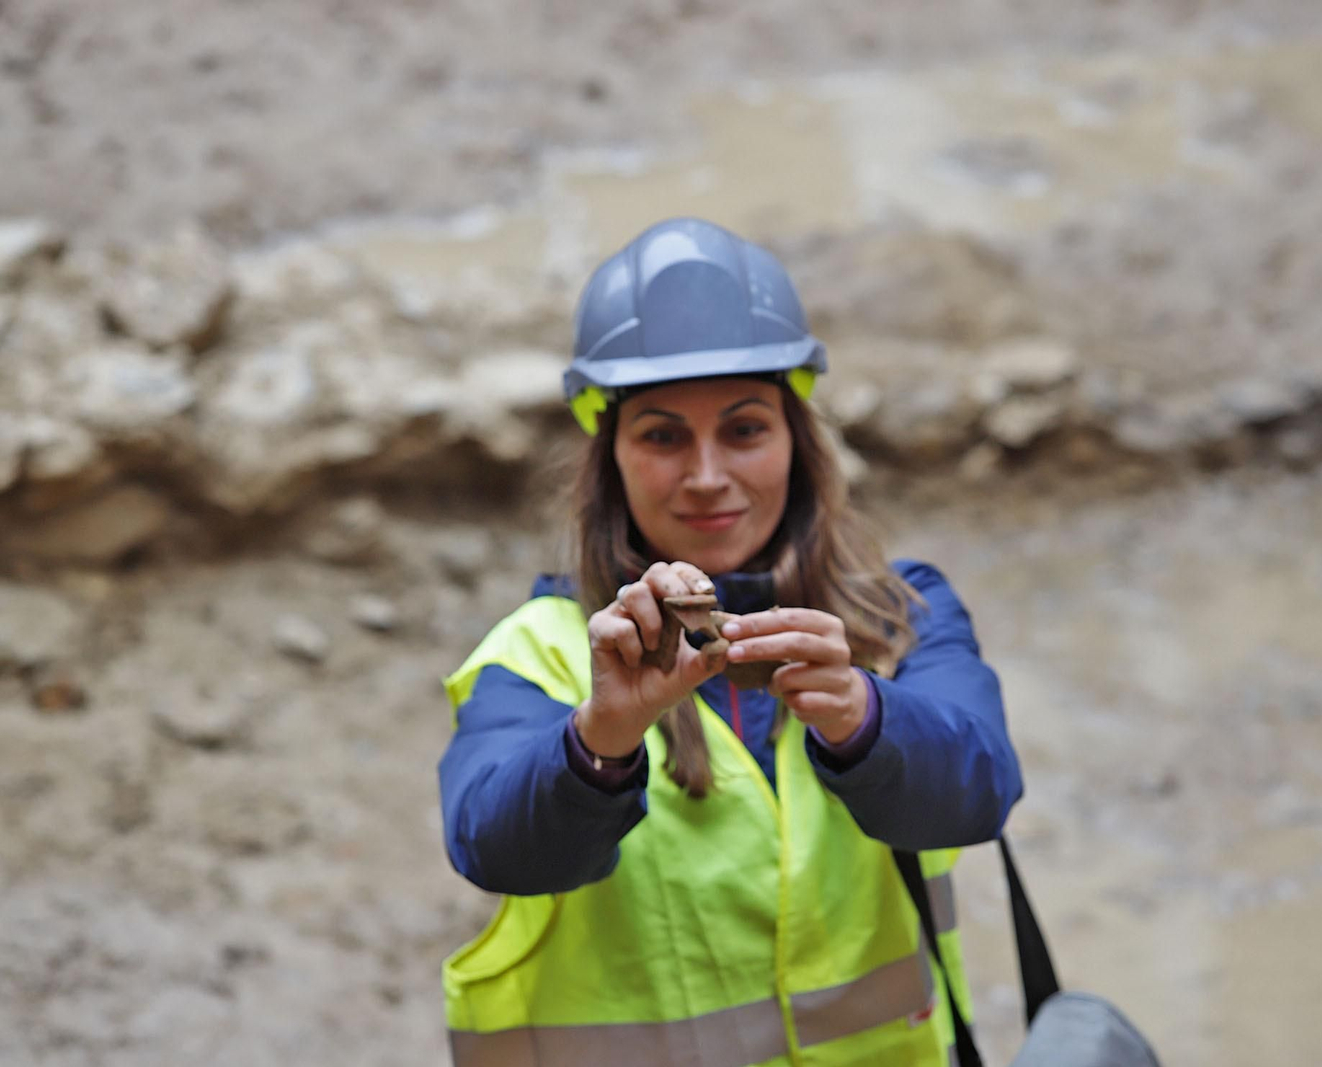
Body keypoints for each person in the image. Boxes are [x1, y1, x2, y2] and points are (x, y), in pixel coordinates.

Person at [437, 217, 1023, 1067]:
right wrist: (598, 741)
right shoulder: (539, 656)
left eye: (744, 429)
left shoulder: (902, 615)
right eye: (664, 434)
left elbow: (980, 794)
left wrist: (867, 717)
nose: (707, 475)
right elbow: (495, 847)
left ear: (797, 441)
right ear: (613, 458)